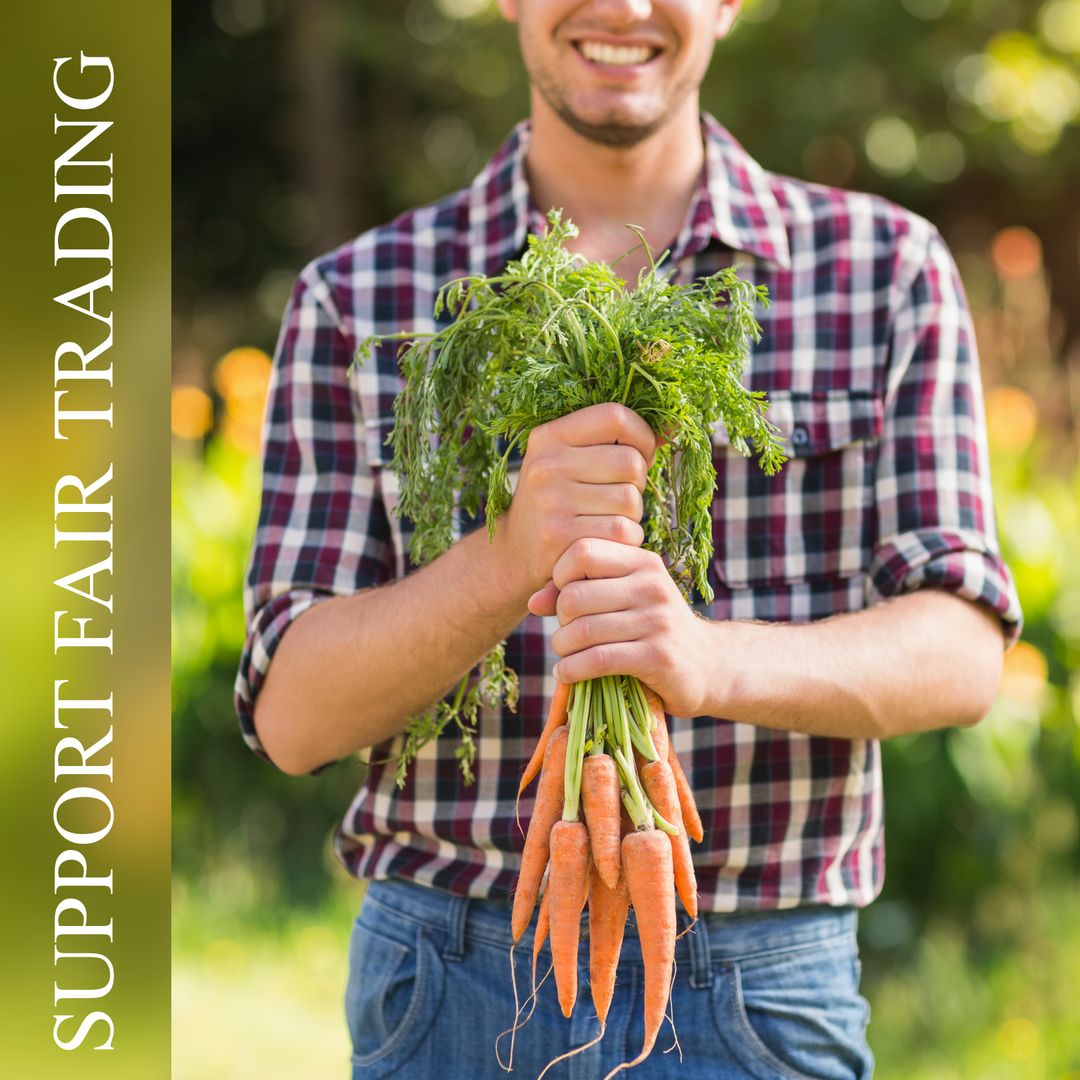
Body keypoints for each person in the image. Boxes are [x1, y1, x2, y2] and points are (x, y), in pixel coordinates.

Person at [235, 2, 1022, 1076]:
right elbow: (293, 714)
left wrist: (705, 659)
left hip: (759, 982)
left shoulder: (884, 271)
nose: (622, 7)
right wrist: (511, 555)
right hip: (448, 983)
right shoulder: (360, 298)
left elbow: (965, 648)